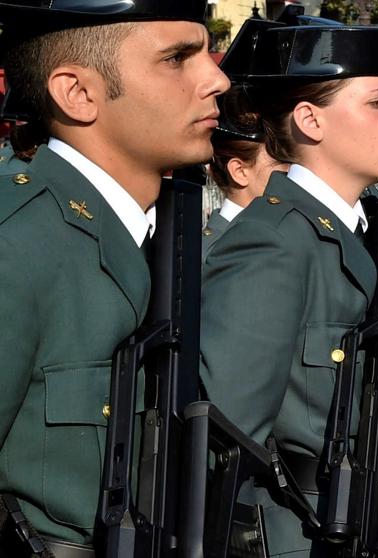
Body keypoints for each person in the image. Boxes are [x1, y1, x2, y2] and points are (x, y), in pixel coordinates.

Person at [0, 0, 228, 552]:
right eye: (177, 58)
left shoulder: (154, 235)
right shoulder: (18, 241)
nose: (217, 78)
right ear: (78, 93)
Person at [199, 19, 378, 556]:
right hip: (300, 530)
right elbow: (224, 446)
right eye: (377, 101)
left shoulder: (356, 229)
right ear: (310, 119)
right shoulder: (274, 244)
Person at [203, 87, 287, 256]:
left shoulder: (281, 234)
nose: (295, 171)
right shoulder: (211, 254)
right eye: (282, 160)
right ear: (239, 171)